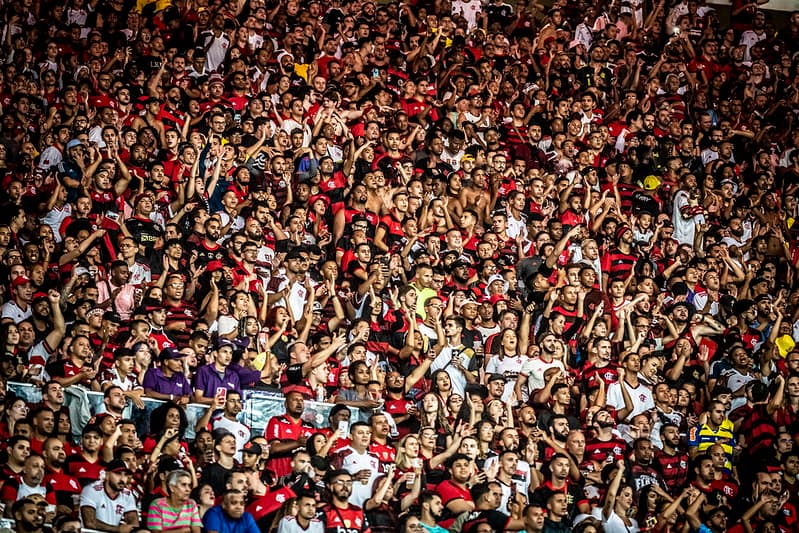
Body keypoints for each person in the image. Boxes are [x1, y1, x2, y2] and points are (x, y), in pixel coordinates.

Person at [79, 459, 139, 532]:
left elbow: (133, 522)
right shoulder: (91, 490)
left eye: (125, 475)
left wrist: (131, 528)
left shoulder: (127, 494)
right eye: (118, 473)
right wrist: (118, 529)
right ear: (106, 475)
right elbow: (90, 522)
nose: (122, 479)